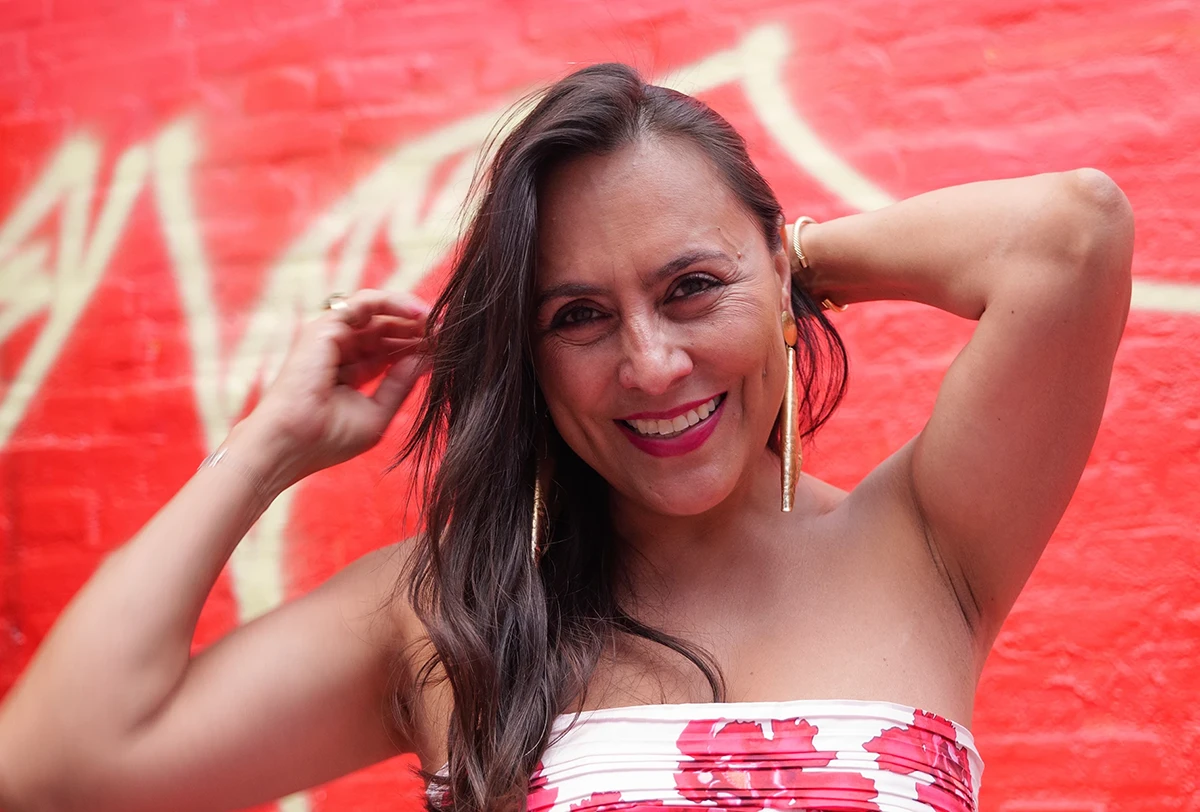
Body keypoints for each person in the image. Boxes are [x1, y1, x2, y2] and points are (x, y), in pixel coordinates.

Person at [0, 63, 1133, 812]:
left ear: (781, 272)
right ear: (529, 358)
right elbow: (52, 767)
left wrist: (781, 271)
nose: (649, 363)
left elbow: (1067, 235)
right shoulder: (448, 610)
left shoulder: (926, 546)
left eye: (690, 288)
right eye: (578, 316)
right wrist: (266, 446)